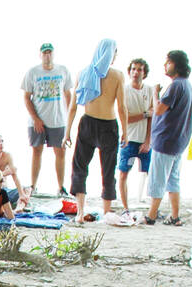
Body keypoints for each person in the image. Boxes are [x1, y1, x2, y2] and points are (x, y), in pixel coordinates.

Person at [64, 38, 128, 224]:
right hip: (108, 125)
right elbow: (122, 107)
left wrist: (67, 132)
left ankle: (80, 212)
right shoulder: (117, 75)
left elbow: (73, 107)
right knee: (108, 170)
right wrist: (126, 131)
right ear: (110, 54)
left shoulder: (84, 73)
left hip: (88, 124)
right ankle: (107, 212)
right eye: (114, 53)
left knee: (80, 167)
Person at [144, 50, 192, 226]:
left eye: (168, 62)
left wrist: (154, 93)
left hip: (166, 140)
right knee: (173, 179)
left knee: (158, 178)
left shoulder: (175, 86)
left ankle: (151, 215)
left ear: (177, 64)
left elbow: (159, 110)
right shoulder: (186, 85)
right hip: (178, 141)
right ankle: (175, 216)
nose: (165, 66)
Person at [21, 42, 73, 197]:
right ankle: (33, 185)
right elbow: (26, 97)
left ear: (53, 53)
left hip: (58, 119)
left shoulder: (63, 70)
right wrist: (35, 118)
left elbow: (68, 94)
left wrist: (69, 114)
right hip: (37, 119)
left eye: (49, 52)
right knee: (37, 151)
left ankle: (61, 187)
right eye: (44, 53)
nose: (47, 55)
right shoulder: (33, 72)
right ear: (40, 54)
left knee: (60, 152)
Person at [116, 58, 154, 213]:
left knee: (151, 174)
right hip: (129, 139)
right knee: (123, 173)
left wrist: (148, 140)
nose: (136, 72)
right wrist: (144, 114)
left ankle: (152, 207)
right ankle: (125, 207)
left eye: (139, 69)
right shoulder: (124, 90)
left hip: (144, 140)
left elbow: (153, 116)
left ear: (144, 73)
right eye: (133, 69)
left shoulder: (149, 90)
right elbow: (125, 117)